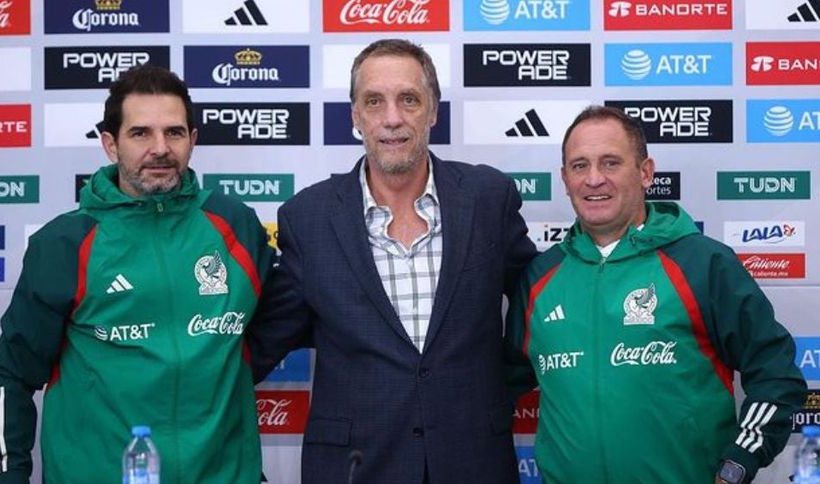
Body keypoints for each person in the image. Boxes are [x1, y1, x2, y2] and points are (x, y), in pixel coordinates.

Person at [247, 39, 537, 483]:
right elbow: (264, 341)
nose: (392, 118)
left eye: (409, 100)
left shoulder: (487, 199)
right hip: (354, 467)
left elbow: (540, 307)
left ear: (433, 110)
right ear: (355, 116)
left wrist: (490, 388)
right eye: (374, 101)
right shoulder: (308, 218)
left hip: (473, 459)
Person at [0, 64, 274, 483]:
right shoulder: (65, 243)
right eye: (140, 133)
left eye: (174, 133)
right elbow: (12, 374)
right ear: (110, 144)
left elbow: (282, 320)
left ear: (192, 140)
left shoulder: (236, 226)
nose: (160, 148)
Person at [507, 105, 807, 484]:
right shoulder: (539, 277)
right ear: (565, 179)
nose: (594, 179)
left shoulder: (703, 263)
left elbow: (776, 374)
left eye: (611, 163)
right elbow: (494, 385)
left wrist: (738, 463)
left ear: (646, 172)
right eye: (580, 166)